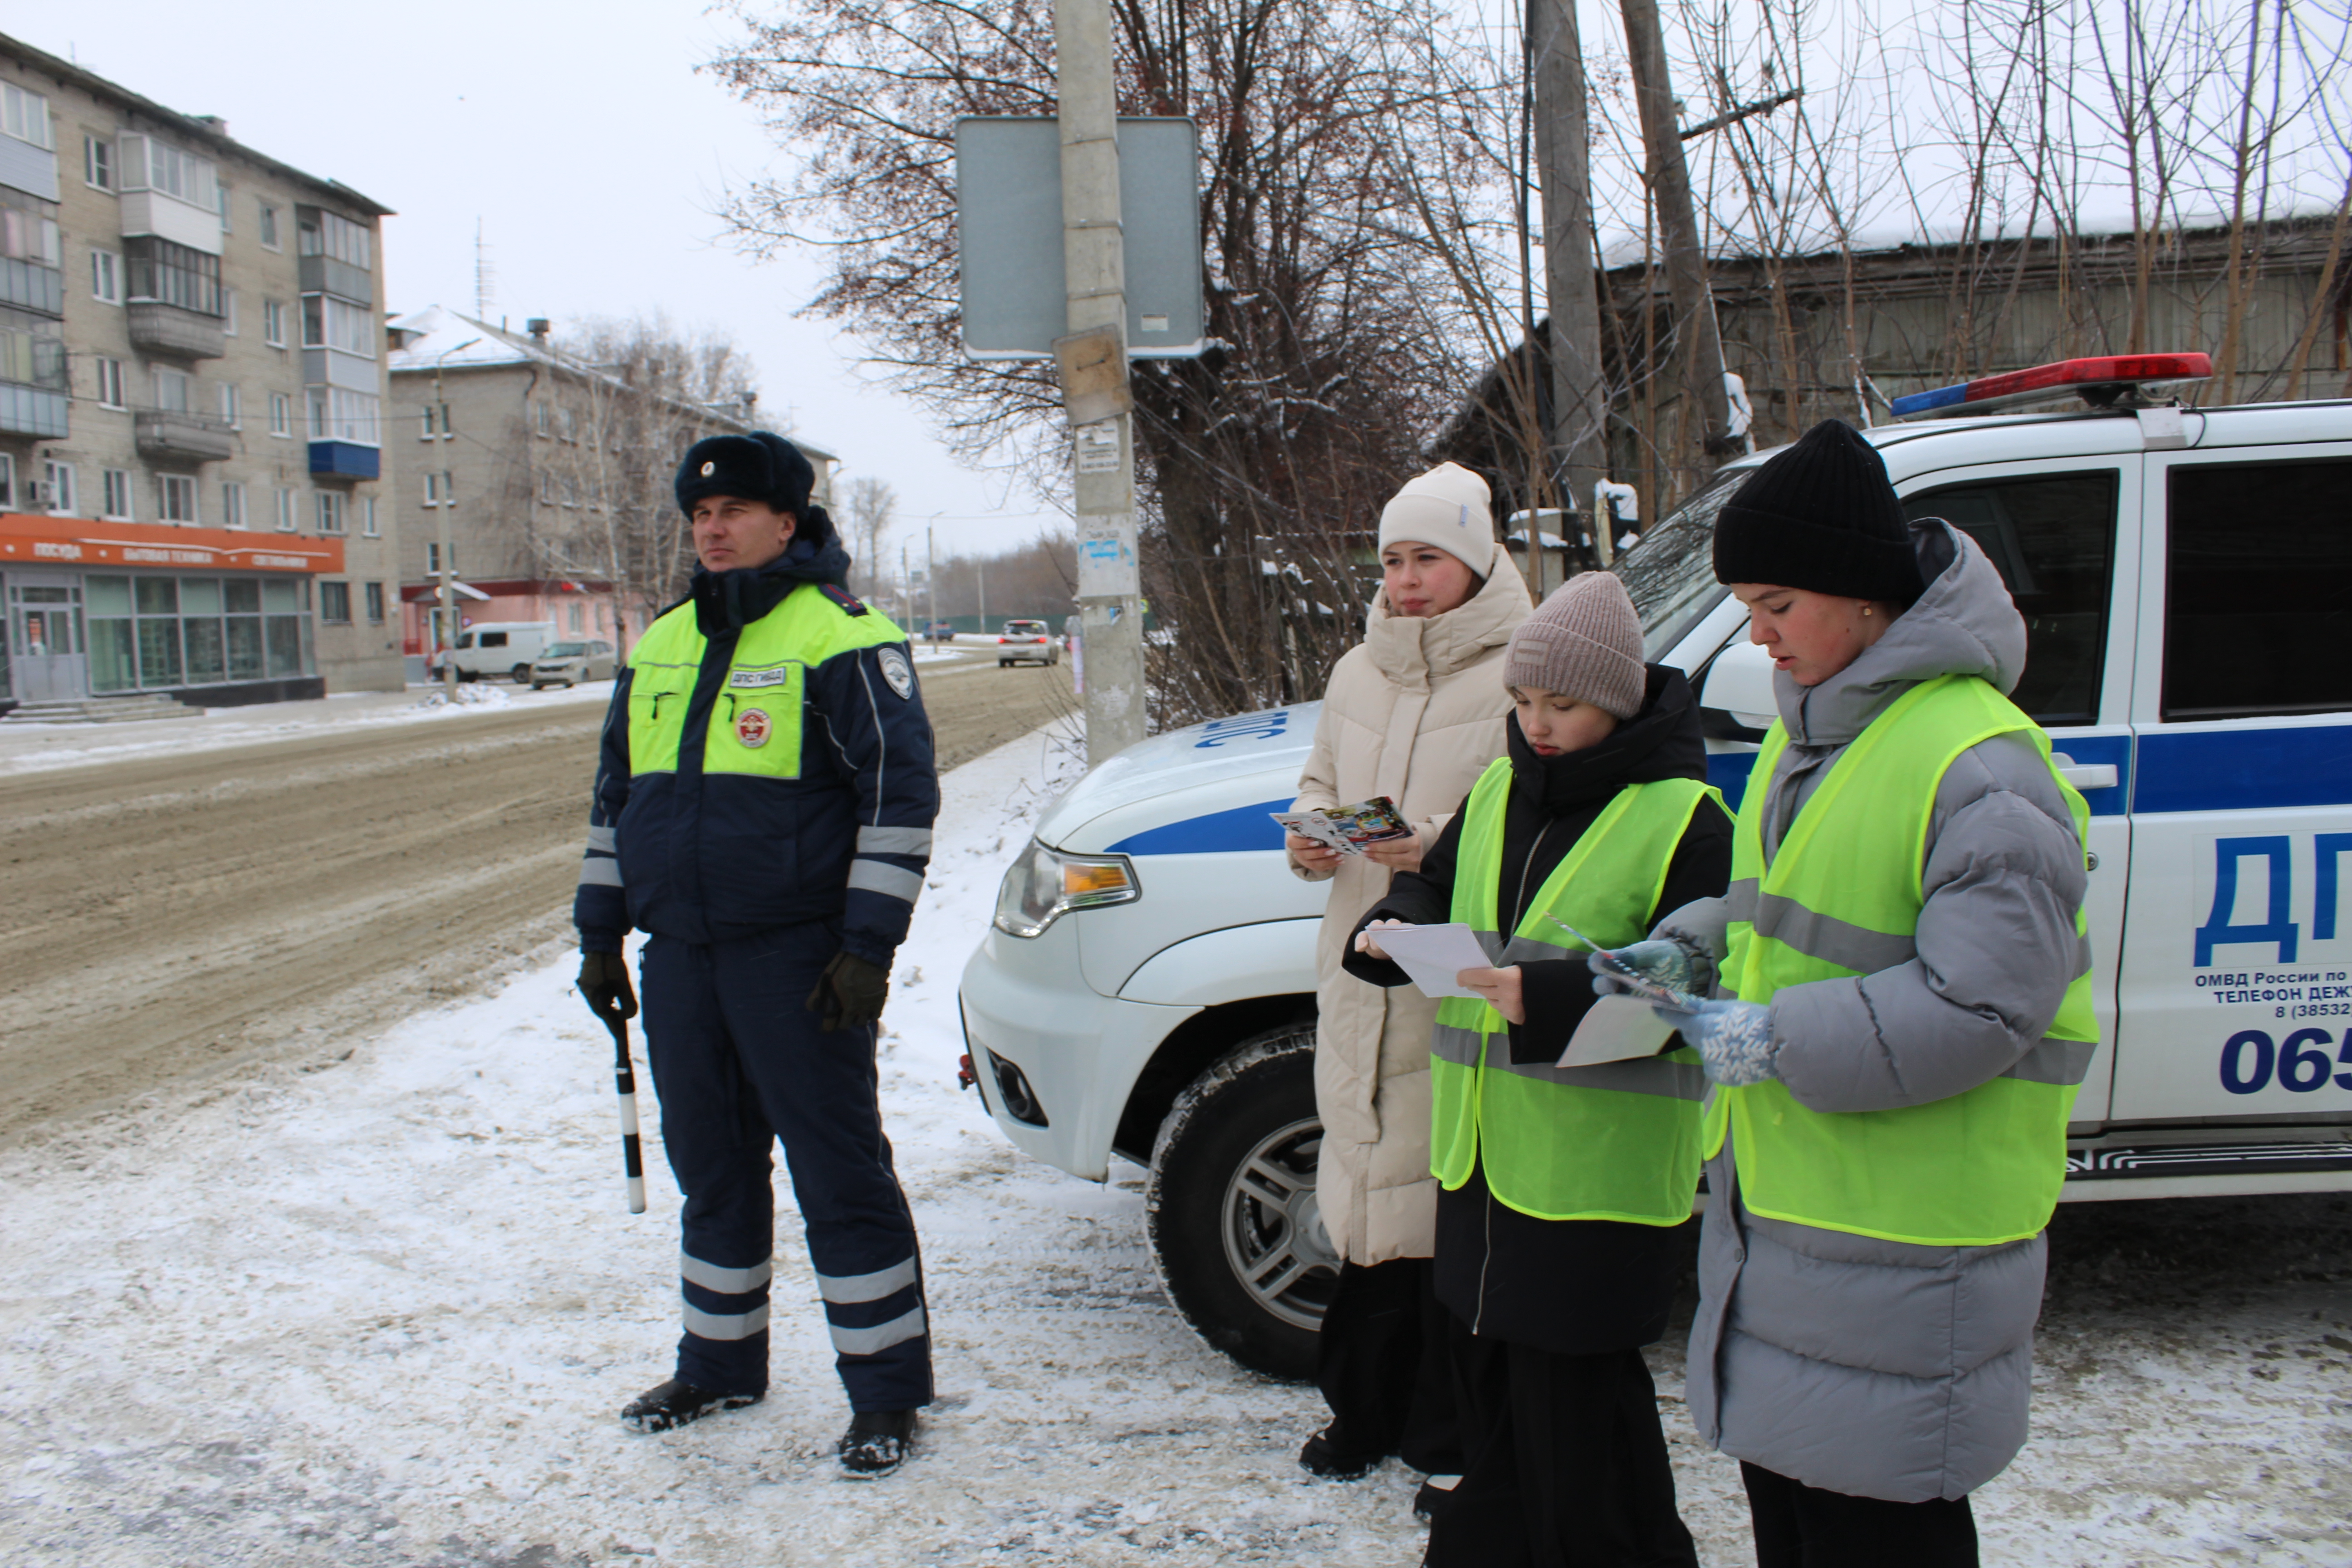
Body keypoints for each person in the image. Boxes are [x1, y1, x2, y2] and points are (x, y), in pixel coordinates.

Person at [1596, 419, 2097, 1565]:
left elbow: (1985, 1008)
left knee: (1878, 1536)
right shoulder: (1817, 733)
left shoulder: (1979, 762)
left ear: (1865, 599)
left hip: (1910, 1234)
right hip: (1802, 1217)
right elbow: (1787, 916)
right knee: (1803, 1521)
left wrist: (1767, 1041)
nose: (1758, 637)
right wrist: (1693, 948)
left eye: (1776, 603)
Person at [572, 431, 941, 1477]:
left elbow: (898, 799)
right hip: (682, 958)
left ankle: (885, 1396)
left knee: (840, 1175)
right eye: (700, 516)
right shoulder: (663, 642)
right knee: (714, 1174)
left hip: (801, 962)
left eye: (733, 512)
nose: (714, 529)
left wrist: (867, 945)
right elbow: (615, 799)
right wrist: (601, 933)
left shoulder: (842, 635)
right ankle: (719, 1365)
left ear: (788, 522)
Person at [1345, 571, 1728, 1568]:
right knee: (1508, 1405)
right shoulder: (1503, 786)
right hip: (1483, 1163)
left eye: (1562, 705)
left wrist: (1555, 999)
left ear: (1620, 698)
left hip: (1595, 1177)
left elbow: (1702, 990)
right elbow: (1435, 884)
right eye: (1523, 703)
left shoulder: (1686, 816)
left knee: (1578, 1419)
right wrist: (1396, 926)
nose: (1537, 725)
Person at [1285, 461, 1529, 1491]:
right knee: (1365, 1196)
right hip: (1361, 963)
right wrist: (1310, 839)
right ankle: (1365, 1406)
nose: (1408, 578)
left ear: (1475, 559)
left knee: (1440, 1214)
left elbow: (1532, 826)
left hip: (1454, 973)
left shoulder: (1526, 665)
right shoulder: (1358, 669)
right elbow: (1323, 785)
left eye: (1429, 556)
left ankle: (1449, 1442)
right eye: (1393, 559)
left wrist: (1431, 847)